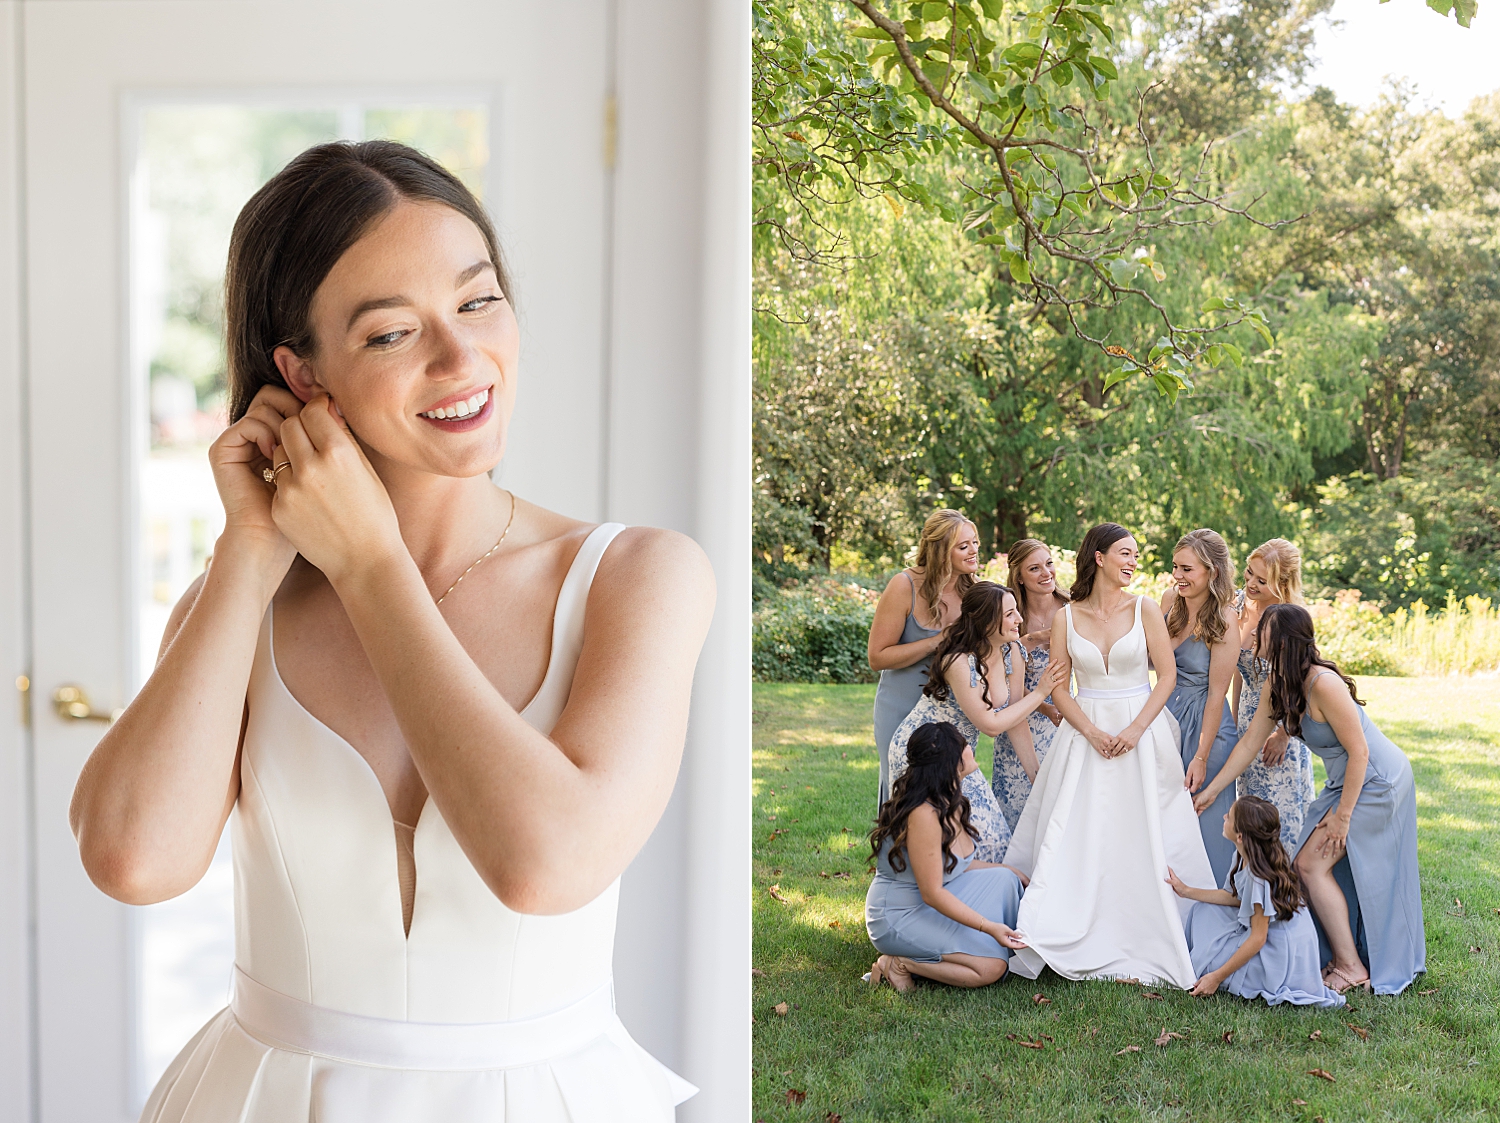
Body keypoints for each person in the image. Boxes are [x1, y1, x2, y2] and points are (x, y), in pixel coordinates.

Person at [68, 141, 713, 1120]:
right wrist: (248, 548)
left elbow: (546, 865)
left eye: (478, 300)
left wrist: (371, 568)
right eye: (388, 334)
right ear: (301, 374)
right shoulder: (238, 602)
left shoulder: (637, 578)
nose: (461, 359)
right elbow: (131, 858)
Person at [1004, 523, 1214, 989]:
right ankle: (1069, 925)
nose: (1134, 561)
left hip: (1143, 733)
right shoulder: (1066, 617)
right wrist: (1092, 731)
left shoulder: (1145, 610)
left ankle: (1158, 934)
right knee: (1080, 830)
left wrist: (1136, 729)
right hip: (1085, 733)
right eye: (1125, 553)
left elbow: (1167, 677)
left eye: (1136, 555)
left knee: (1147, 831)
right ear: (1098, 557)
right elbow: (1058, 687)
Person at [1194, 604, 1425, 995]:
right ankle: (1343, 955)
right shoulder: (1279, 681)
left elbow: (1361, 753)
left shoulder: (1323, 684)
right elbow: (1251, 742)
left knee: (1310, 865)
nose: (1252, 637)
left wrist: (1343, 818)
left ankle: (1351, 967)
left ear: (1281, 640)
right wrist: (1214, 789)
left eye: (1261, 631)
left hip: (1377, 781)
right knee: (1308, 863)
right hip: (1345, 780)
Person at [888, 582, 1066, 861]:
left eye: (1016, 611)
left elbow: (1016, 715)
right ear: (984, 620)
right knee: (936, 845)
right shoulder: (958, 661)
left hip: (961, 756)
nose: (1019, 619)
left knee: (995, 841)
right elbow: (992, 725)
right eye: (1009, 614)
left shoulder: (1013, 651)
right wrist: (1042, 692)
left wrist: (1036, 776)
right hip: (922, 755)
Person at [865, 722, 1028, 991]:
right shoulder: (923, 814)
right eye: (962, 745)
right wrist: (988, 927)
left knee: (1006, 878)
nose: (968, 747)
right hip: (900, 915)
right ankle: (900, 963)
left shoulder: (947, 797)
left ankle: (960, 948)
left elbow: (956, 866)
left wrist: (1007, 869)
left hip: (931, 899)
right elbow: (932, 893)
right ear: (950, 761)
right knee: (992, 967)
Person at [1167, 796, 1345, 1008]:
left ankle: (1237, 972)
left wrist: (1215, 978)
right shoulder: (1245, 854)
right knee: (1203, 911)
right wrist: (1186, 891)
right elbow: (1235, 898)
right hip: (1262, 930)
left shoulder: (1258, 877)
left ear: (1240, 836)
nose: (1224, 817)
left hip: (1277, 950)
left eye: (1230, 817)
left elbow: (1258, 938)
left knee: (1209, 961)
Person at [868, 511, 980, 806]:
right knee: (905, 796)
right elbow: (877, 657)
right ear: (941, 549)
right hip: (901, 707)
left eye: (975, 542)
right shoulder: (904, 586)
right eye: (963, 546)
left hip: (954, 710)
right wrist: (937, 641)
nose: (974, 551)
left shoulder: (974, 590)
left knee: (951, 796)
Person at [1163, 529, 1241, 886]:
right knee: (1164, 825)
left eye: (1187, 569)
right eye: (1176, 567)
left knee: (1206, 827)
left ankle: (1213, 918)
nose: (1178, 576)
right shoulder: (1168, 602)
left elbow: (1216, 693)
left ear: (1212, 571)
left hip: (1205, 728)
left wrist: (1201, 756)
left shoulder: (1225, 619)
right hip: (1164, 720)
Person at [1232, 539, 1316, 850]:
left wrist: (1284, 733)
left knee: (1280, 816)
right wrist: (1232, 720)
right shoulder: (1237, 606)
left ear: (1282, 583)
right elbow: (1237, 671)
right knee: (1249, 810)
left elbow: (1306, 683)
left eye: (1261, 580)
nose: (1250, 583)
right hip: (1246, 718)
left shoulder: (1290, 618)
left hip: (1283, 722)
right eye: (1249, 573)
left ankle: (1287, 888)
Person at [993, 539, 1068, 829]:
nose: (1046, 573)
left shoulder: (1072, 608)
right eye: (1035, 568)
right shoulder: (1010, 616)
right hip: (1019, 717)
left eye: (1048, 563)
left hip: (1063, 718)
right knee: (1019, 808)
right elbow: (1000, 677)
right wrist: (1034, 639)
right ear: (1019, 577)